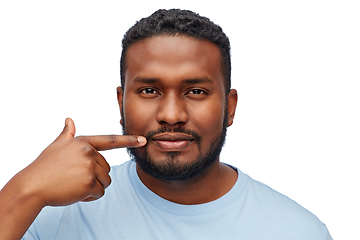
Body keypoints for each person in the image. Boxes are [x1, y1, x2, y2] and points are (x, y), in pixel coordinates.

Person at [0, 9, 332, 240]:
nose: (171, 114)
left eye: (196, 91)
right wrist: (25, 190)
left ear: (229, 107)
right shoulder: (53, 212)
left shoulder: (298, 232)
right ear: (121, 104)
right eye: (149, 90)